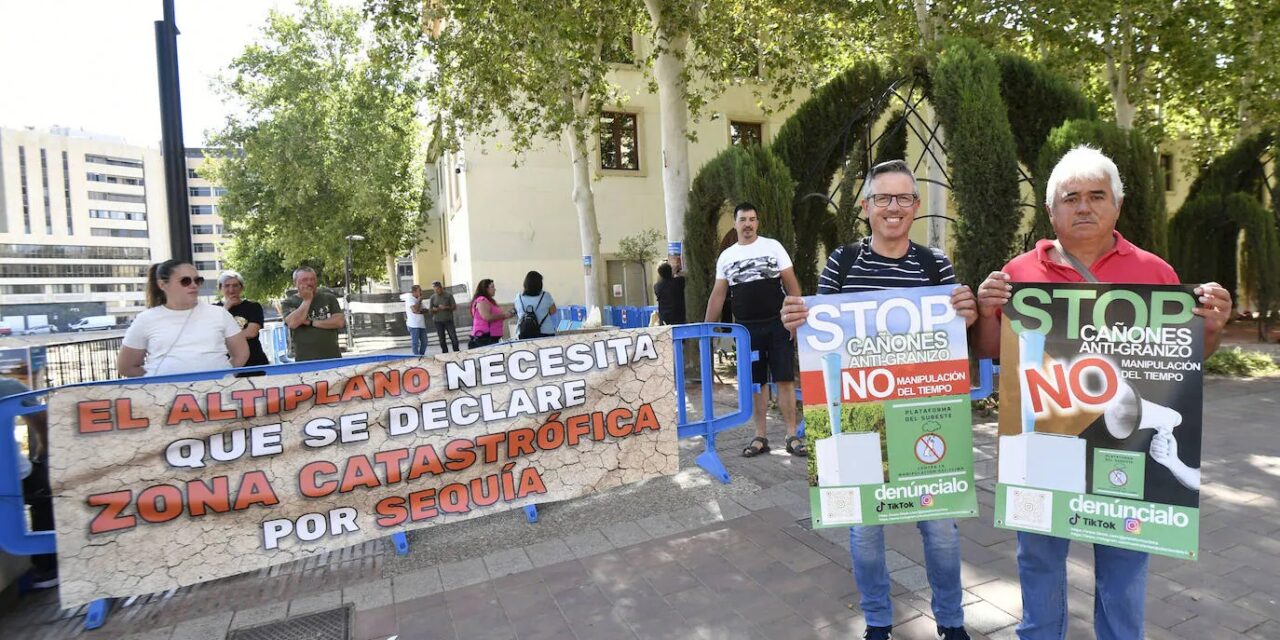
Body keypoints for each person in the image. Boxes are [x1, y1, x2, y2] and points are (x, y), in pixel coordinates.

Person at [972, 146, 1231, 640]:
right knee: (1039, 560)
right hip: (1045, 443)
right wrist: (987, 312)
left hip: (1125, 455)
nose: (1084, 207)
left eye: (1097, 195)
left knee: (1125, 567)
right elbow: (992, 354)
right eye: (1071, 198)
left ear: (1117, 205)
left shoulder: (1156, 272)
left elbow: (1187, 358)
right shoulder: (1019, 272)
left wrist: (1214, 326)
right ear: (1051, 211)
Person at [780, 160, 978, 640]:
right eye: (883, 198)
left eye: (904, 198)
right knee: (865, 532)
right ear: (866, 207)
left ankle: (952, 624)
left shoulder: (937, 266)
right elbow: (819, 340)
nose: (894, 207)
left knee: (941, 532)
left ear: (915, 207)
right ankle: (877, 624)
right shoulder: (842, 263)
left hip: (923, 414)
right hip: (857, 416)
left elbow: (954, 343)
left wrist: (968, 319)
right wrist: (797, 323)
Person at [705, 201, 804, 458]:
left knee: (784, 380)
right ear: (735, 224)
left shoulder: (773, 247)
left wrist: (794, 320)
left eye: (752, 219)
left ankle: (791, 435)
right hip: (747, 331)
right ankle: (760, 436)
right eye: (743, 219)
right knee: (757, 384)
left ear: (757, 222)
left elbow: (792, 284)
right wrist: (707, 330)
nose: (748, 224)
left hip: (778, 325)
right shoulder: (727, 256)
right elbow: (718, 295)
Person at [118, 259, 249, 377]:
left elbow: (241, 354)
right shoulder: (145, 319)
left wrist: (223, 376)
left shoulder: (219, 314)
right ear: (163, 284)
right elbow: (126, 367)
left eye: (197, 280)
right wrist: (158, 377)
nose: (194, 285)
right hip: (166, 398)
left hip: (215, 396)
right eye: (185, 281)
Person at [0, 377, 56, 589]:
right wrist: (43, 449)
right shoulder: (7, 387)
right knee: (46, 494)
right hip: (12, 473)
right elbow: (42, 421)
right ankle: (47, 567)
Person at [281, 266, 345, 361]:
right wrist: (307, 300)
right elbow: (293, 323)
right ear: (295, 283)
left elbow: (339, 322)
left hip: (332, 357)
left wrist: (311, 322)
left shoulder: (329, 298)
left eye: (312, 279)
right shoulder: (289, 302)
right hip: (305, 359)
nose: (309, 283)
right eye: (304, 280)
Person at [215, 270, 270, 374]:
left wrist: (226, 337)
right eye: (227, 286)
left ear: (242, 287)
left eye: (235, 285)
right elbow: (213, 334)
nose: (231, 290)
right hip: (225, 364)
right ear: (220, 288)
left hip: (254, 362)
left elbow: (251, 332)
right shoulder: (214, 309)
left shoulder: (253, 307)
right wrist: (226, 308)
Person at [515, 271, 558, 338]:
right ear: (540, 284)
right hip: (546, 332)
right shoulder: (546, 296)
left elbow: (519, 312)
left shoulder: (519, 297)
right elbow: (553, 311)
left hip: (524, 332)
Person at [469, 278, 511, 348]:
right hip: (485, 337)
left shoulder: (489, 301)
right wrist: (503, 315)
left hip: (491, 336)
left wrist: (506, 316)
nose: (495, 289)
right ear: (485, 289)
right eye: (492, 287)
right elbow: (487, 317)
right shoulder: (482, 300)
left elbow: (494, 316)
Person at [429, 280, 461, 352]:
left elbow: (454, 307)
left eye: (437, 289)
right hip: (438, 321)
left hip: (448, 320)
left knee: (453, 337)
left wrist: (445, 307)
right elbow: (430, 310)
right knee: (441, 339)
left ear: (441, 288)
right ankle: (445, 353)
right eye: (434, 289)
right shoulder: (432, 297)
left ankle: (456, 352)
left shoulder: (448, 295)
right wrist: (434, 309)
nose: (436, 291)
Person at [654, 260, 687, 325]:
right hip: (678, 316)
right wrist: (675, 271)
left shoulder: (657, 286)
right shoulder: (678, 282)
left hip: (664, 317)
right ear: (670, 271)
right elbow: (685, 275)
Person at [402, 284, 429, 356]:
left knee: (425, 342)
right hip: (413, 324)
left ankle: (421, 355)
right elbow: (414, 310)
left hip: (421, 324)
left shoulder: (418, 300)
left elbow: (426, 310)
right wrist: (419, 301)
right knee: (415, 342)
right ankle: (416, 357)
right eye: (419, 291)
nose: (421, 292)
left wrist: (419, 311)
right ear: (414, 292)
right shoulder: (410, 299)